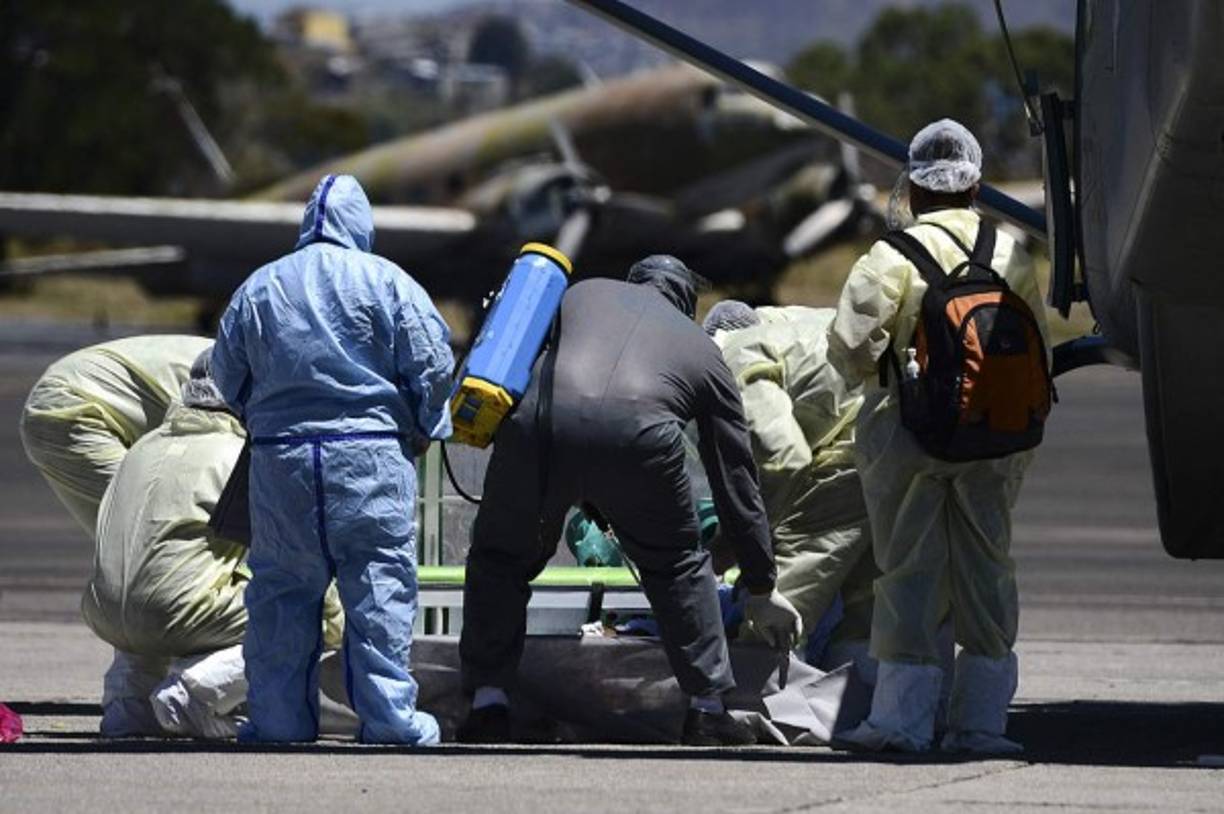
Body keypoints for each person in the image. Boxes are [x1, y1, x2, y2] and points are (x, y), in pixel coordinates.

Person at [458, 254, 802, 746]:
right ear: (686, 302)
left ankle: (487, 703)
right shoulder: (702, 351)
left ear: (633, 282)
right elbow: (735, 479)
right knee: (679, 565)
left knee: (500, 558)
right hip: (639, 441)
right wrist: (761, 583)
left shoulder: (580, 293)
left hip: (536, 428)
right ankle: (707, 711)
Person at [828, 119, 1051, 754]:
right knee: (988, 568)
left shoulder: (891, 256)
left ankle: (901, 723)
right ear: (975, 186)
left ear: (916, 187)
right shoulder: (1009, 252)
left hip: (909, 438)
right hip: (995, 435)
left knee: (907, 571)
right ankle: (981, 724)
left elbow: (850, 348)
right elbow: (1036, 344)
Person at [211, 174, 453, 745]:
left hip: (281, 463)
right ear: (362, 223)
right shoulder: (390, 281)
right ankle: (390, 721)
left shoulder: (260, 286)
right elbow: (434, 366)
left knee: (281, 593)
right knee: (379, 591)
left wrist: (267, 419)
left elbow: (226, 373)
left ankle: (278, 722)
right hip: (371, 460)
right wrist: (423, 424)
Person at [83, 349, 347, 738]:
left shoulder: (143, 446)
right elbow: (291, 550)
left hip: (104, 611)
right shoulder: (242, 454)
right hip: (177, 611)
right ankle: (194, 692)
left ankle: (128, 704)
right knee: (300, 610)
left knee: (148, 581)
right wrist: (335, 622)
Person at [704, 302, 878, 681]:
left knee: (779, 604)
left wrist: (740, 541)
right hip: (897, 440)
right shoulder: (795, 322)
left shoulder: (734, 353)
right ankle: (863, 704)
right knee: (869, 605)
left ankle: (758, 700)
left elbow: (783, 460)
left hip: (851, 456)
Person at [19, 335, 213, 536]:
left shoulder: (220, 356)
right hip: (78, 404)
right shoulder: (228, 379)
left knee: (138, 539)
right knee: (169, 533)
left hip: (66, 391)